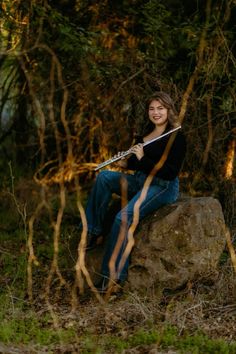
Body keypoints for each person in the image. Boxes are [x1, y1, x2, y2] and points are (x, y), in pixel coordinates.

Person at [83, 91, 186, 293]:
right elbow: (134, 164)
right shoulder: (145, 134)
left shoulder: (176, 137)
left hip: (161, 186)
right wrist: (124, 161)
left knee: (123, 218)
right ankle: (93, 232)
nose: (156, 113)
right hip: (140, 181)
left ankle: (112, 279)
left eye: (160, 108)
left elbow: (170, 172)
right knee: (104, 177)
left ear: (168, 110)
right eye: (152, 108)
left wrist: (140, 159)